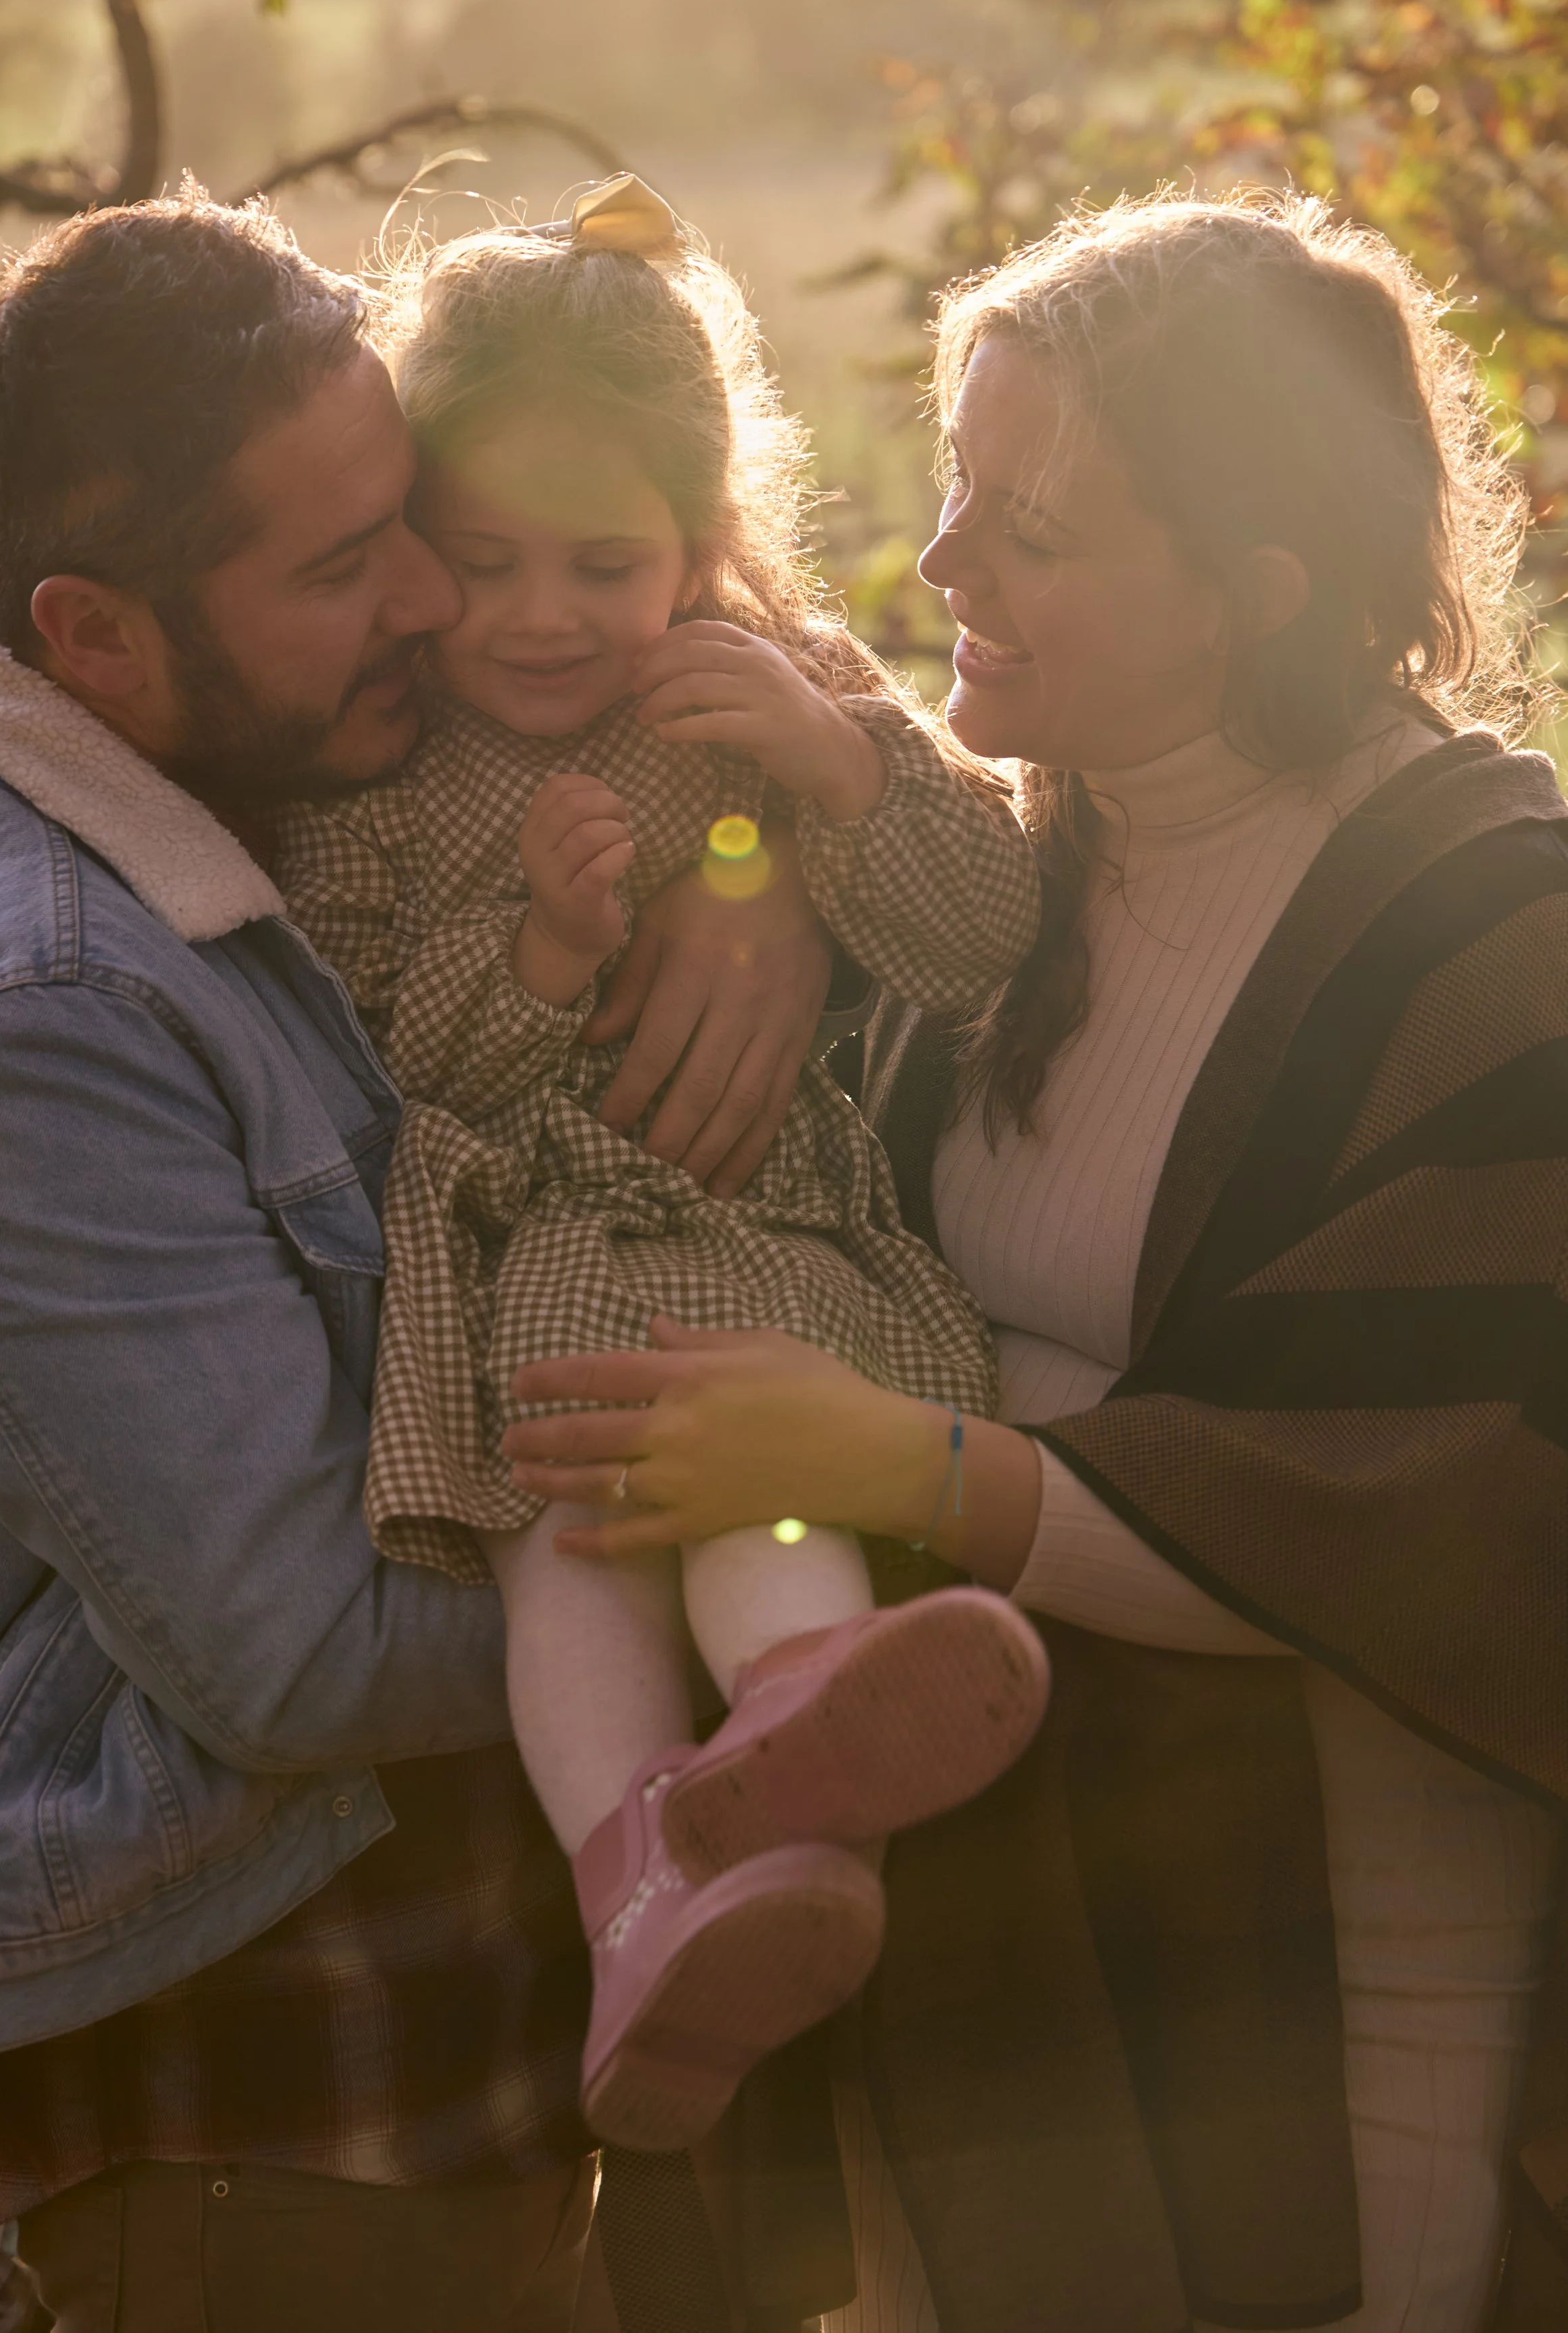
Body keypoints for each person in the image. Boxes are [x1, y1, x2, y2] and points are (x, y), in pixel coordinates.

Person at [503, 193, 1568, 2332]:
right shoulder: (1005, 868)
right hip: (985, 1980)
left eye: (1032, 529)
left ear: (1252, 588)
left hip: (1332, 1999)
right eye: (953, 485)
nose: (938, 566)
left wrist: (901, 1466)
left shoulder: (1489, 943)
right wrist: (747, 874)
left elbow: (1446, 1523)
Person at [0, 188, 854, 2333]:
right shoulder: (15, 1017)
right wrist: (829, 1532)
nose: (433, 595)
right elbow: (304, 1647)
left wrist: (749, 856)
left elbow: (660, 600)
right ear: (97, 632)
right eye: (347, 566)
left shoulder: (212, 750)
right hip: (273, 2119)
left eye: (402, 512)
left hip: (461, 2075)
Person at [272, 177, 1051, 2158]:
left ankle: (803, 1735)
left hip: (757, 1255)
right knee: (576, 1551)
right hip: (526, 1266)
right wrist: (542, 955)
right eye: (484, 562)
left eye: (603, 564)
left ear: (700, 541)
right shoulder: (382, 772)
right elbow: (379, 1073)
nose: (539, 614)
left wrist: (838, 772)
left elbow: (982, 939)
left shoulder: (783, 693)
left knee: (758, 1491)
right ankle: (641, 1888)